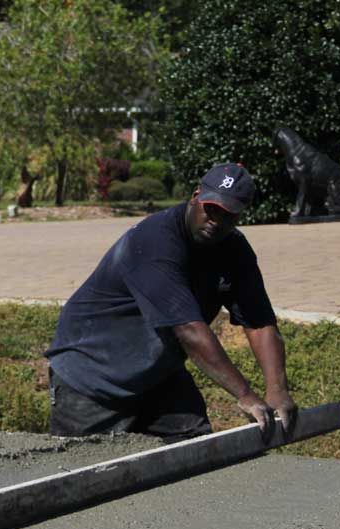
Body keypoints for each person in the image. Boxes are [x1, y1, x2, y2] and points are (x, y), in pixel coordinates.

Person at [44, 163, 298, 442]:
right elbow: (189, 330)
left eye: (228, 214)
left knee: (193, 451)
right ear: (195, 196)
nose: (216, 219)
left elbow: (259, 323)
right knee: (85, 473)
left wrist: (277, 390)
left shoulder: (235, 251)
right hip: (93, 377)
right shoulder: (154, 242)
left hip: (155, 375)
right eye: (211, 208)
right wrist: (246, 395)